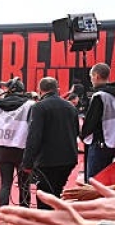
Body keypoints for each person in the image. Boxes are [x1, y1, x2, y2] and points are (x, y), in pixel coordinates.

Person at [21, 77, 79, 210]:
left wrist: (27, 162)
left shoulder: (39, 107)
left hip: (47, 161)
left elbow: (34, 136)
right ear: (57, 90)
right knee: (56, 193)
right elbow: (76, 132)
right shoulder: (70, 107)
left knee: (44, 197)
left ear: (39, 90)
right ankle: (55, 223)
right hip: (68, 159)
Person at [80, 62, 115, 182]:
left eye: (91, 76)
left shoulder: (99, 96)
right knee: (106, 178)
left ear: (96, 76)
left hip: (100, 142)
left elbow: (91, 122)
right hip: (114, 141)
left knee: (94, 181)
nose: (91, 80)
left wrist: (82, 135)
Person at [0, 81, 33, 209]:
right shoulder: (30, 104)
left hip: (3, 148)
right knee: (24, 185)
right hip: (22, 148)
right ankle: (24, 217)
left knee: (5, 184)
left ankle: (3, 215)